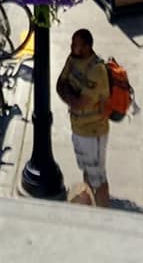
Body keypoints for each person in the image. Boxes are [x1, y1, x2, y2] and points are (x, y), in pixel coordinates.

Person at [55, 28, 111, 207]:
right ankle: (90, 206)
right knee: (87, 171)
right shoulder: (72, 60)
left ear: (87, 47)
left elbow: (81, 103)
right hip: (78, 128)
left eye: (76, 44)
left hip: (92, 132)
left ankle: (103, 212)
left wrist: (70, 96)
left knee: (99, 177)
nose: (72, 47)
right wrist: (71, 97)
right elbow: (59, 85)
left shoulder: (97, 70)